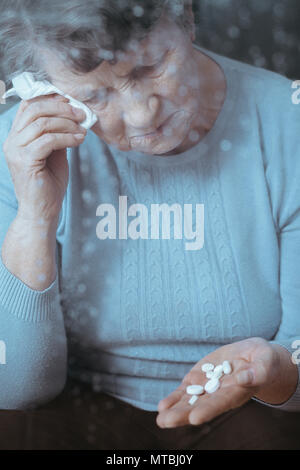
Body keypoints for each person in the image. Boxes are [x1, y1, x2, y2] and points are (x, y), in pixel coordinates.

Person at [0, 0, 299, 450]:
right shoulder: (21, 150)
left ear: (187, 21)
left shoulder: (287, 122)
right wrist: (35, 216)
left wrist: (273, 370)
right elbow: (17, 390)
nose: (142, 115)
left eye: (152, 66)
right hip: (80, 409)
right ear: (42, 86)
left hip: (255, 412)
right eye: (94, 96)